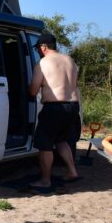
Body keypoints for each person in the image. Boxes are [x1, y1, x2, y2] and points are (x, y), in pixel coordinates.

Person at [28, 33, 81, 188]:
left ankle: (45, 180)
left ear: (44, 47)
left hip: (55, 107)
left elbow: (33, 90)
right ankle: (72, 171)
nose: (38, 50)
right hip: (73, 106)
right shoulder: (70, 60)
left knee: (44, 144)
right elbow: (73, 84)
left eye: (38, 48)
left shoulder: (42, 63)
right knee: (61, 139)